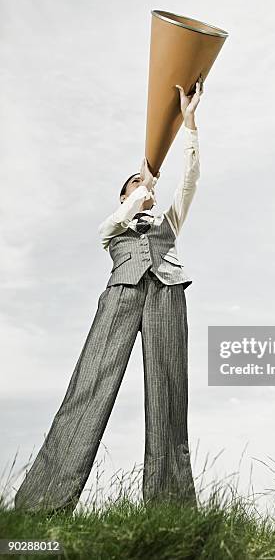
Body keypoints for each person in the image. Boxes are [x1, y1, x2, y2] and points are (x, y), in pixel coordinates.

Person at [14, 81, 203, 514]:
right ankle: (41, 506)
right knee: (89, 388)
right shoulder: (112, 227)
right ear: (124, 195)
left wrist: (189, 124)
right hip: (120, 296)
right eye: (134, 184)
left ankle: (169, 512)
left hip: (167, 294)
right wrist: (143, 184)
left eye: (147, 183)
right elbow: (119, 215)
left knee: (169, 397)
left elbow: (190, 180)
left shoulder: (167, 223)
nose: (145, 186)